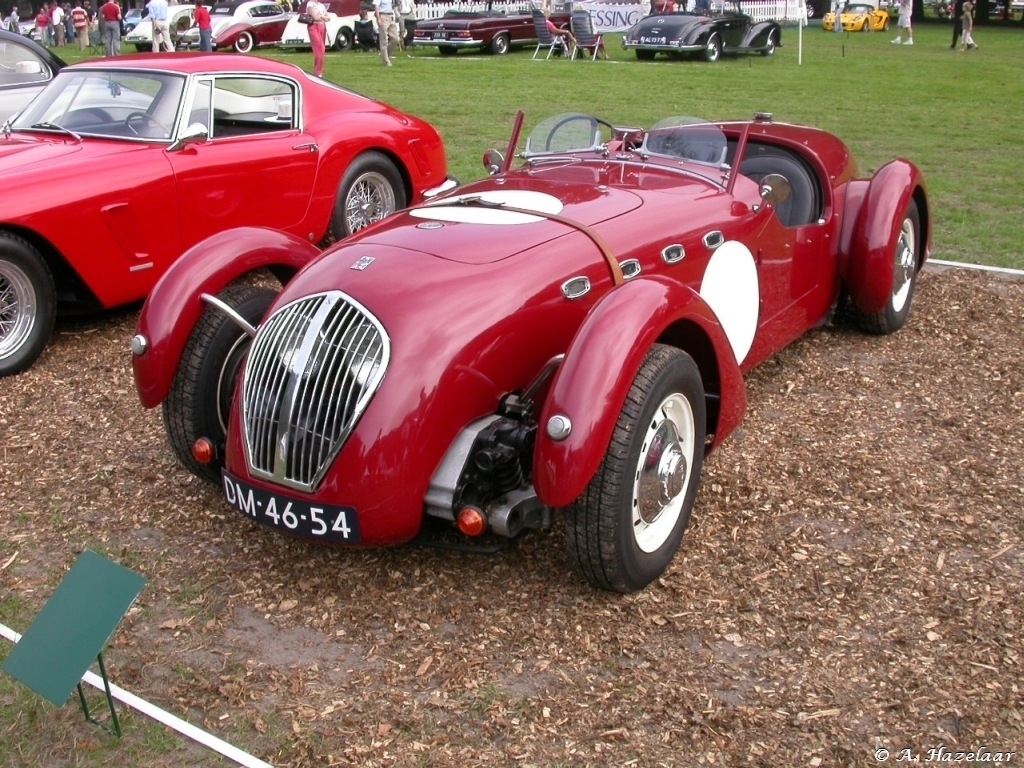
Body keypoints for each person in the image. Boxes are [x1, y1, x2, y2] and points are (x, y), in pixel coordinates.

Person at [306, 0, 329, 77]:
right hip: (314, 27)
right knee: (320, 48)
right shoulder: (310, 4)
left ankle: (318, 70)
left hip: (322, 26)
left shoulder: (321, 5)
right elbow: (315, 17)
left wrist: (322, 17)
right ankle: (318, 73)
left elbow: (328, 18)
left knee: (321, 50)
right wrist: (323, 17)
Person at [373, 0, 399, 66]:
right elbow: (376, 6)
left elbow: (392, 5)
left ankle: (383, 54)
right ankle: (386, 61)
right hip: (383, 16)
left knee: (395, 38)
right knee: (384, 40)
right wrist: (378, 18)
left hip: (390, 16)